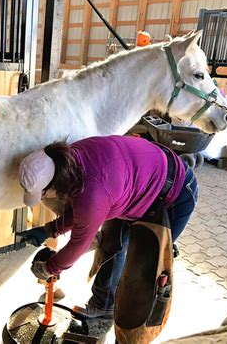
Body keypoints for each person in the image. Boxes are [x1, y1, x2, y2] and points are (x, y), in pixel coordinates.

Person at [17, 136, 198, 319]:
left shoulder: (93, 191)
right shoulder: (69, 158)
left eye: (43, 194)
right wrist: (49, 230)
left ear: (56, 183)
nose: (43, 198)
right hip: (138, 182)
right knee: (112, 245)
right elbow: (85, 210)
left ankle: (136, 326)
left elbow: (80, 240)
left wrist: (50, 268)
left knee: (146, 269)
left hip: (174, 194)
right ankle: (103, 306)